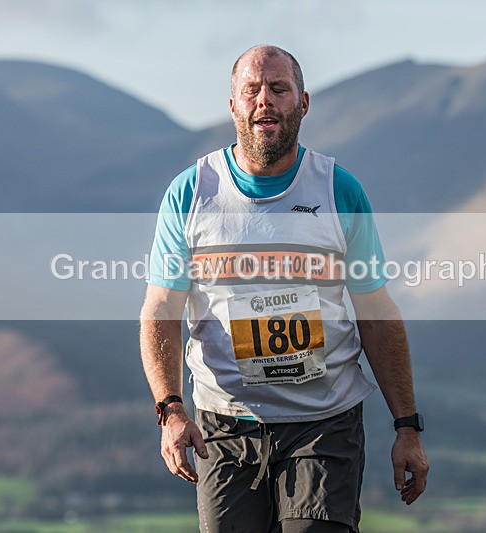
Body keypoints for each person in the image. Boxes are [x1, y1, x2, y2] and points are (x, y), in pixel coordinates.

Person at [140, 44, 428, 533]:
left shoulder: (339, 191)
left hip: (324, 424)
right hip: (225, 426)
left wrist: (407, 426)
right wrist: (170, 409)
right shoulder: (190, 194)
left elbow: (376, 313)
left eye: (278, 89)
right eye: (251, 91)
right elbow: (161, 308)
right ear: (232, 105)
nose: (264, 102)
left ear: (304, 102)